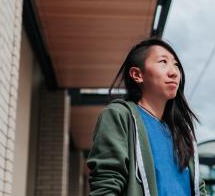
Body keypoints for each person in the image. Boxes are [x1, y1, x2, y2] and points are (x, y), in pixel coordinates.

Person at [87, 38, 206, 196]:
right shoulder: (120, 115)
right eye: (163, 62)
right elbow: (106, 184)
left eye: (175, 64)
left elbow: (199, 188)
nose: (174, 72)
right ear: (137, 74)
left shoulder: (182, 130)